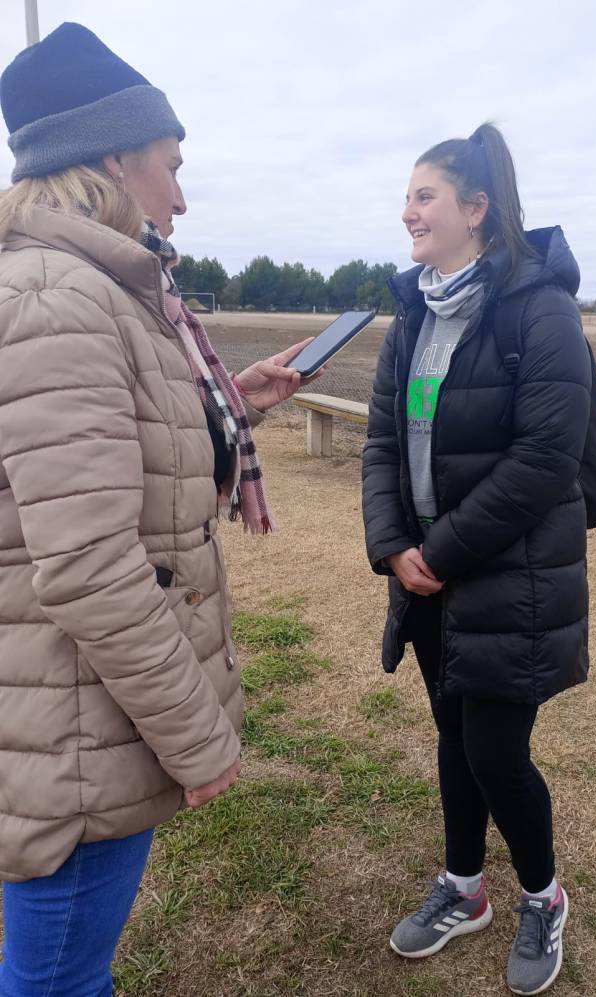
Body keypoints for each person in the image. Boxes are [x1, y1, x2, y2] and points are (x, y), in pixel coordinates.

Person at [0, 22, 316, 995]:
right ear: (109, 161)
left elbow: (108, 467)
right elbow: (91, 564)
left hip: (64, 716)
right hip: (75, 742)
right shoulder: (61, 298)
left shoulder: (86, 290)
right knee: (56, 978)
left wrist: (232, 410)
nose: (180, 198)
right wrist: (199, 739)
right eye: (170, 167)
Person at [362, 122, 592, 995]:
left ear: (476, 208)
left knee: (497, 749)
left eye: (425, 195)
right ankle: (466, 887)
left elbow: (544, 461)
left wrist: (440, 551)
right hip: (424, 573)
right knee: (453, 738)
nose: (408, 211)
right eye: (409, 196)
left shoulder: (540, 309)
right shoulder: (414, 307)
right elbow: (382, 438)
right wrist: (392, 545)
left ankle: (543, 894)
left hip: (507, 575)